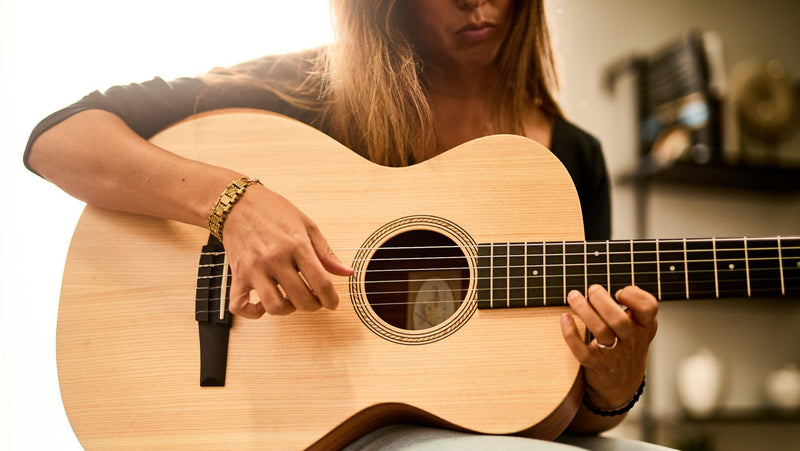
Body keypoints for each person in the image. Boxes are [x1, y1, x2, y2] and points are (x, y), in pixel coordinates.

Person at [25, 0, 662, 448]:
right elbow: (57, 139)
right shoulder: (313, 90)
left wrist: (615, 379)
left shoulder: (573, 159)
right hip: (311, 426)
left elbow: (570, 410)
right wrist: (232, 203)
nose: (476, 2)